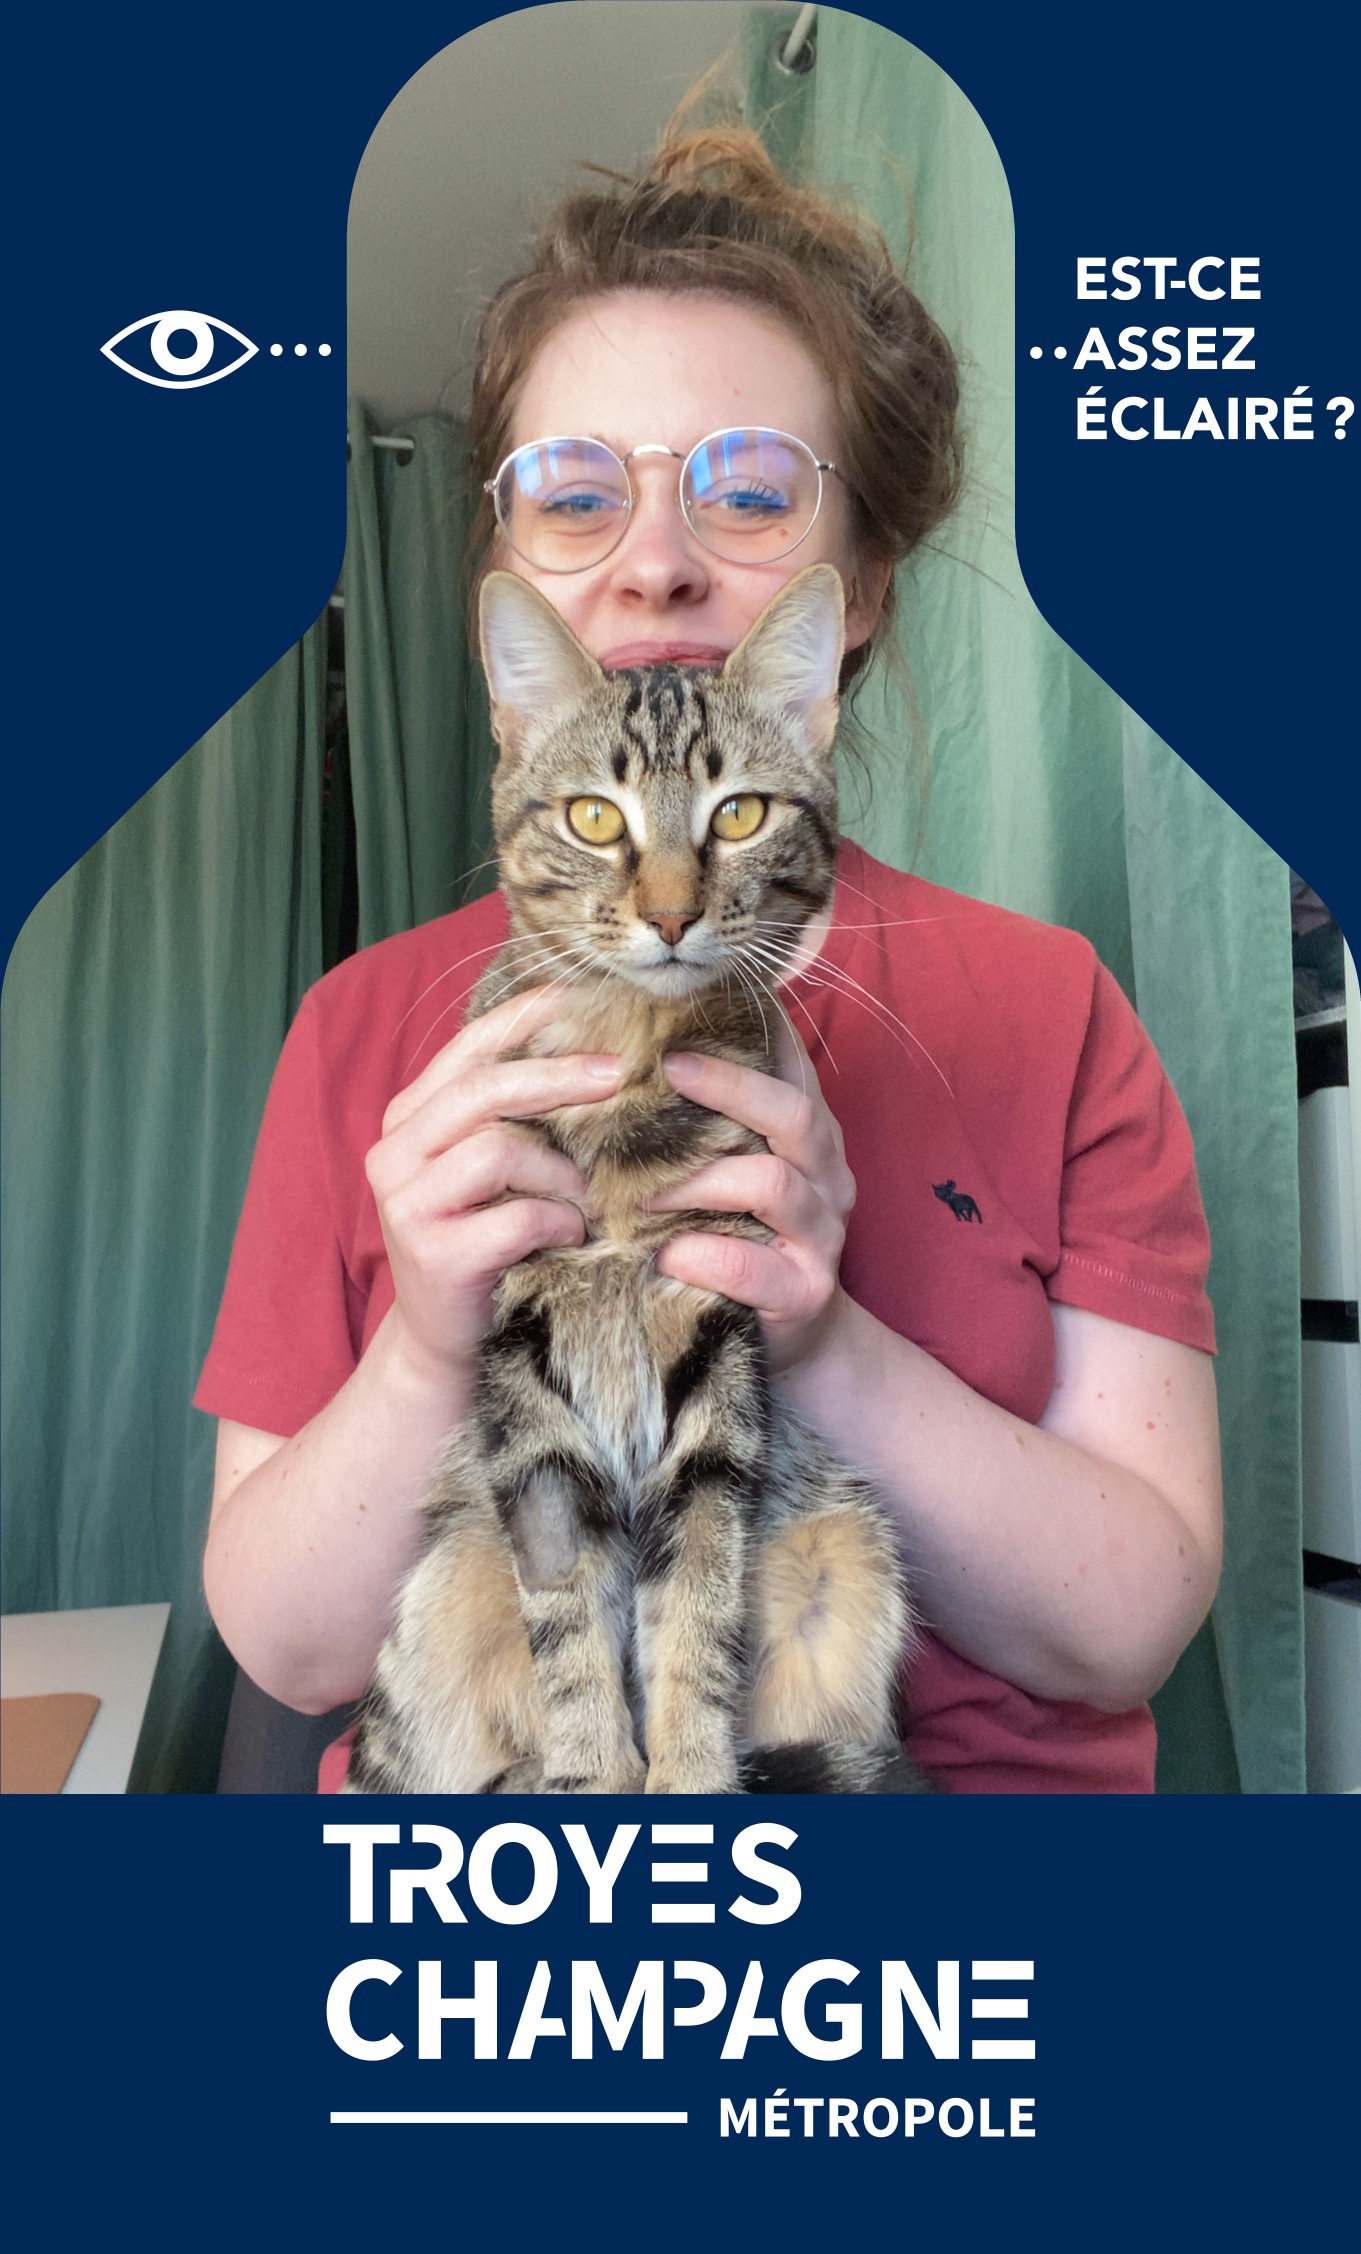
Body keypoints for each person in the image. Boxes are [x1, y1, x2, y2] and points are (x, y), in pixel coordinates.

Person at [197, 123, 1222, 1793]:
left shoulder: (1050, 1007)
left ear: (855, 595)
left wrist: (819, 1330)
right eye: (572, 492)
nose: (655, 556)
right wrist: (425, 1343)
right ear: (508, 631)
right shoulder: (363, 1026)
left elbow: (1127, 1629)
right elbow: (288, 1649)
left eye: (747, 491)